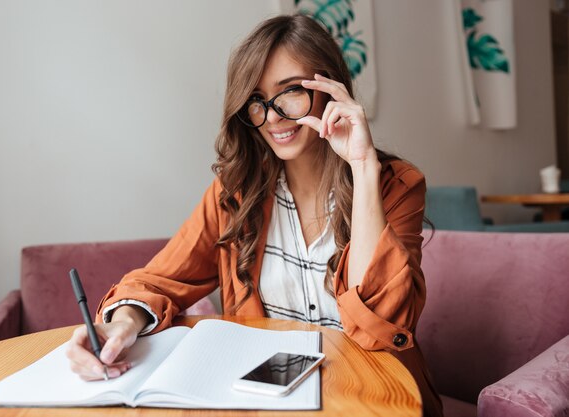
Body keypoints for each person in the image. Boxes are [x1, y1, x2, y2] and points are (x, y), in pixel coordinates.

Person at [66, 14, 443, 417]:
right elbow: (161, 278)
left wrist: (363, 166)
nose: (273, 116)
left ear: (332, 90)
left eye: (291, 92)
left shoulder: (395, 184)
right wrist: (121, 323)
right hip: (268, 400)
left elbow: (382, 324)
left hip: (372, 397)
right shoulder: (237, 194)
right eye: (257, 100)